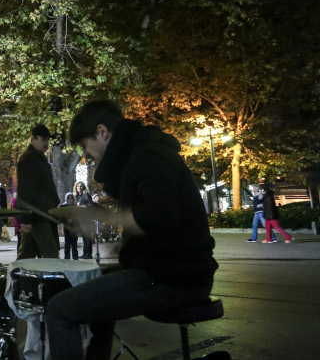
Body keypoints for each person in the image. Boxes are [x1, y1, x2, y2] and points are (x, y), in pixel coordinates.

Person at [45, 100, 218, 360]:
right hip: (169, 270)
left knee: (59, 309)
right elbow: (155, 223)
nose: (87, 155)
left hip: (172, 277)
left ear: (102, 132)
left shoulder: (147, 155)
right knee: (94, 293)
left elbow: (161, 216)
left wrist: (101, 219)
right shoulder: (141, 154)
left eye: (84, 146)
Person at [15, 124, 60, 259]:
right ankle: (19, 278)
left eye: (47, 140)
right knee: (50, 256)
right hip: (37, 217)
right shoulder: (29, 159)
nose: (46, 143)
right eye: (43, 139)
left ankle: (18, 279)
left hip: (41, 215)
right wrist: (26, 219)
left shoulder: (37, 158)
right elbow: (26, 190)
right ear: (33, 138)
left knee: (27, 256)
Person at [74, 181, 94, 258]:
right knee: (84, 238)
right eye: (78, 186)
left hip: (86, 220)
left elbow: (90, 205)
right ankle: (85, 253)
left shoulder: (86, 195)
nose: (79, 188)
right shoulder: (78, 197)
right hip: (81, 220)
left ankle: (89, 254)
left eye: (81, 186)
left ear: (84, 187)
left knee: (87, 237)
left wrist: (81, 206)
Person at [60, 193, 78, 260]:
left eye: (71, 198)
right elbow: (61, 217)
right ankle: (67, 257)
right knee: (67, 242)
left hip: (74, 227)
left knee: (74, 242)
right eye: (68, 198)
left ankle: (75, 257)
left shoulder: (75, 207)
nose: (70, 200)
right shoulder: (63, 206)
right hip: (67, 227)